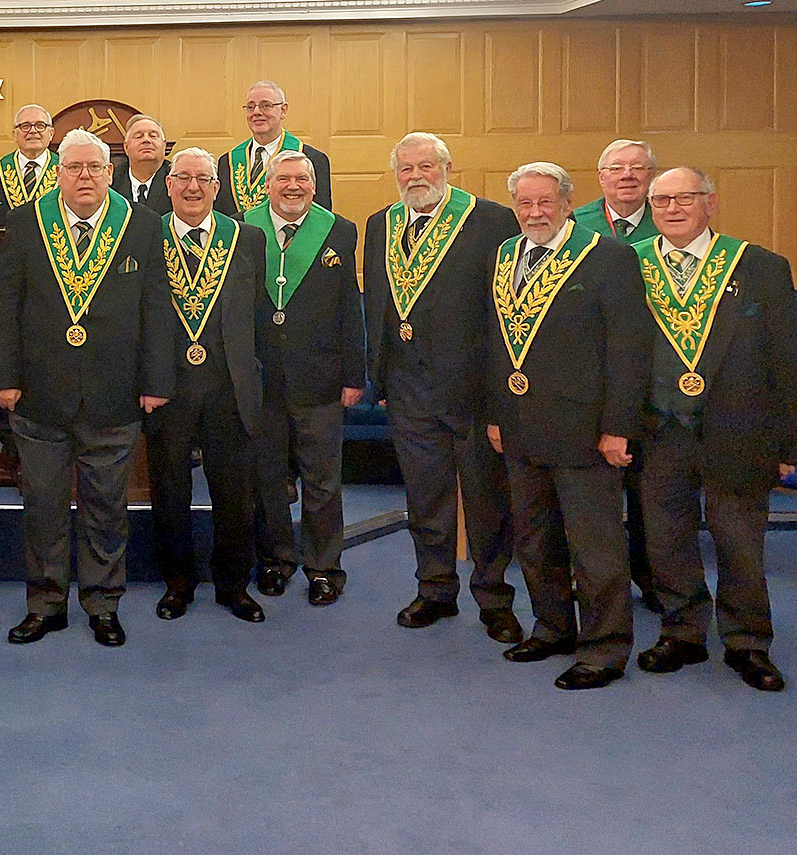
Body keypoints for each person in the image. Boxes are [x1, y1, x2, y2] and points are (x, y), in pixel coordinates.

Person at [0, 128, 174, 647]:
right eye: (74, 168)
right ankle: (45, 604)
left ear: (110, 172)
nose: (85, 176)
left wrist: (156, 380)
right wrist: (3, 378)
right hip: (39, 396)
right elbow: (5, 306)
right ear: (58, 174)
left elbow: (157, 306)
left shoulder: (142, 224)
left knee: (107, 510)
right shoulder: (26, 222)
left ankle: (103, 604)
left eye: (94, 167)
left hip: (115, 395)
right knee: (42, 508)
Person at [633, 167, 797, 692]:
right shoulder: (629, 265)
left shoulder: (760, 266)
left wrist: (787, 442)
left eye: (685, 198)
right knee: (666, 540)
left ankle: (748, 642)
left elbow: (786, 360)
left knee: (740, 541)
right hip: (661, 430)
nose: (673, 208)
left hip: (740, 431)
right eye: (662, 200)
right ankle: (682, 631)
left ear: (711, 203)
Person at [484, 162, 650, 690]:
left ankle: (604, 649)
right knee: (535, 540)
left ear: (567, 204)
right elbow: (496, 342)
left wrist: (619, 426)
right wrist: (496, 415)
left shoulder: (609, 257)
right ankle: (553, 627)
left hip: (585, 430)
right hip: (520, 426)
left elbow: (629, 349)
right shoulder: (505, 254)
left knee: (595, 548)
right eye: (524, 203)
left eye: (545, 202)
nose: (535, 213)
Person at [362, 132, 523, 644]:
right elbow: (380, 304)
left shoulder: (491, 220)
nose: (416, 176)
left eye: (425, 166)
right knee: (425, 497)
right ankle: (434, 589)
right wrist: (380, 376)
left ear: (447, 168)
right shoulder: (381, 223)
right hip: (408, 388)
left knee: (486, 500)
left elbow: (509, 310)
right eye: (406, 168)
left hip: (473, 389)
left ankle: (494, 598)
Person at [144, 147, 266, 622]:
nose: (192, 187)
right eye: (183, 178)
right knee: (169, 491)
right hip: (167, 386)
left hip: (229, 387)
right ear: (168, 185)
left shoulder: (247, 238)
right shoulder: (146, 235)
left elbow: (258, 314)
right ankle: (177, 583)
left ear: (217, 187)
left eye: (202, 179)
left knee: (234, 493)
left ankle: (234, 585)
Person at [243, 149, 365, 605]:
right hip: (261, 381)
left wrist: (354, 375)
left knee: (322, 481)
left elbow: (350, 308)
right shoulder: (243, 228)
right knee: (268, 478)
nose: (293, 187)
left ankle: (324, 568)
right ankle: (275, 561)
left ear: (314, 186)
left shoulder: (338, 230)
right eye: (283, 179)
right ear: (267, 185)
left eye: (302, 179)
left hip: (321, 378)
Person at [572, 138, 662, 612]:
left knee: (650, 492)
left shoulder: (670, 219)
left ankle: (654, 579)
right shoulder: (575, 224)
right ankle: (595, 580)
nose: (628, 176)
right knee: (592, 494)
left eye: (638, 168)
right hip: (589, 379)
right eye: (617, 168)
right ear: (601, 176)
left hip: (655, 377)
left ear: (651, 176)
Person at [215, 80, 332, 216]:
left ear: (283, 110)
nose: (256, 112)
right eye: (250, 107)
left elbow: (320, 216)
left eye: (266, 105)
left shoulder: (313, 159)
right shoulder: (227, 162)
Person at [0, 104, 59, 211]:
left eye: (40, 125)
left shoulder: (66, 169)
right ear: (14, 135)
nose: (33, 131)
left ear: (51, 133)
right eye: (25, 126)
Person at [110, 114, 173, 214]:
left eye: (153, 136)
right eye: (138, 136)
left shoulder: (176, 179)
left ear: (164, 145)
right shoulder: (111, 181)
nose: (146, 140)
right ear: (126, 147)